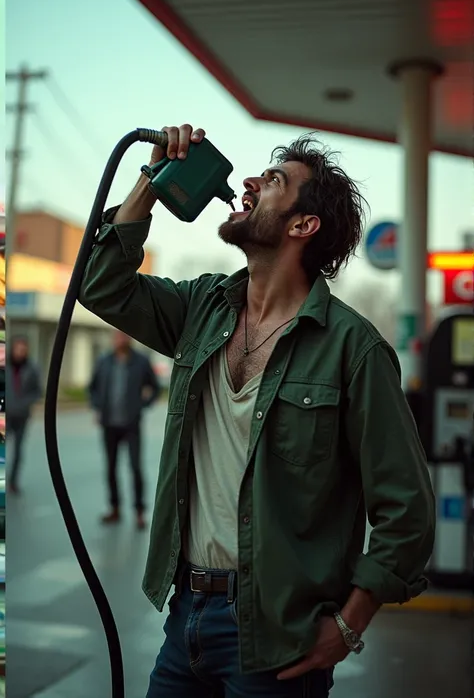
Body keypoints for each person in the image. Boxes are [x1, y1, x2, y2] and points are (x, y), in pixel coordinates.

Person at [79, 125, 436, 697]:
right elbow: (101, 285)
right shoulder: (202, 307)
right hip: (184, 621)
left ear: (302, 225)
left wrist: (349, 624)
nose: (246, 183)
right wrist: (152, 178)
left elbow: (408, 510)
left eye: (271, 181)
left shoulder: (354, 349)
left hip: (278, 638)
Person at [88, 330, 161, 530]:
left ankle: (139, 511)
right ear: (114, 340)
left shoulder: (141, 362)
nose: (121, 340)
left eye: (124, 336)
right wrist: (97, 407)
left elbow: (155, 387)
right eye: (117, 337)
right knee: (110, 468)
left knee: (135, 467)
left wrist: (143, 404)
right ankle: (114, 508)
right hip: (109, 424)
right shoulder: (104, 361)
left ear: (129, 339)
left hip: (131, 424)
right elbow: (92, 388)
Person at [7, 336, 42, 493]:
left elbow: (37, 391)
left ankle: (13, 481)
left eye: (23, 349)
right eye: (18, 349)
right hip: (4, 415)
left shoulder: (32, 368)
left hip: (22, 415)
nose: (20, 352)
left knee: (18, 451)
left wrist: (25, 402)